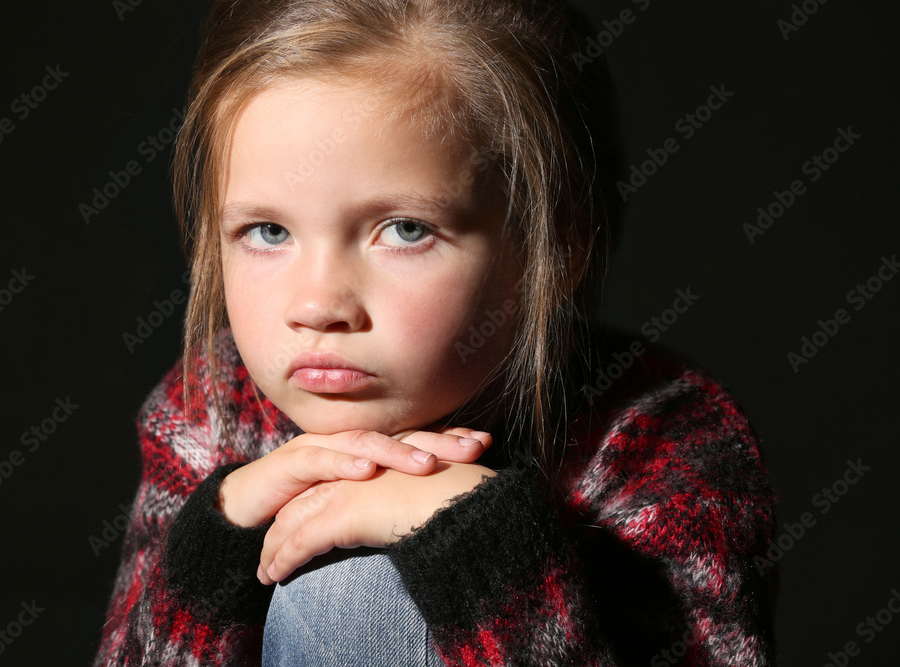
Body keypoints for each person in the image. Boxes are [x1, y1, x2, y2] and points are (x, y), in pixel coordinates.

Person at [93, 0, 778, 665]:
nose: (318, 304)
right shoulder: (206, 415)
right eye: (268, 231)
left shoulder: (662, 446)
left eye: (405, 229)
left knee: (359, 595)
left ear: (558, 245)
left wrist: (483, 551)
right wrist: (213, 551)